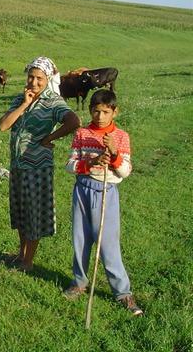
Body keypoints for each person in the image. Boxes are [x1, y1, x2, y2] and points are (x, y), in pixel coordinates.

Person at [63, 89, 143, 315]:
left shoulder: (121, 136)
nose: (100, 116)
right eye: (96, 111)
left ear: (114, 112)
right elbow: (70, 165)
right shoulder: (82, 133)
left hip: (105, 191)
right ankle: (79, 283)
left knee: (107, 243)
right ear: (90, 110)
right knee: (80, 239)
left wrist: (115, 153)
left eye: (105, 112)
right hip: (82, 189)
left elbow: (125, 171)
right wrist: (93, 161)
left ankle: (123, 292)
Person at [0, 56, 80, 271]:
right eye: (31, 77)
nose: (34, 83)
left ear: (48, 79)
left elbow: (74, 121)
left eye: (39, 79)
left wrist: (49, 138)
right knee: (20, 211)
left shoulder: (53, 101)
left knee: (33, 213)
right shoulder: (20, 99)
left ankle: (28, 261)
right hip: (17, 165)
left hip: (37, 167)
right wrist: (25, 104)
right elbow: (3, 126)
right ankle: (21, 253)